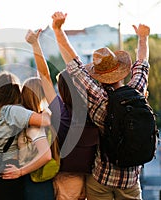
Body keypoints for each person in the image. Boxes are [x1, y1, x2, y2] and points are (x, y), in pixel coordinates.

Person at [51, 11, 150, 199]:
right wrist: (143, 37)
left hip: (102, 179)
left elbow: (74, 66)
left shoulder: (98, 99)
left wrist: (58, 30)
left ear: (99, 76)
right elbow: (142, 64)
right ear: (121, 70)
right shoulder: (137, 91)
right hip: (130, 180)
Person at [25, 29, 100, 200]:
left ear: (63, 90)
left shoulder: (62, 114)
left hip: (67, 178)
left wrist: (35, 44)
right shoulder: (95, 109)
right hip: (91, 176)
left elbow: (44, 75)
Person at [0, 71, 52, 200]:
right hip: (9, 171)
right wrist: (46, 110)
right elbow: (45, 121)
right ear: (15, 91)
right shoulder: (11, 111)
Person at [8, 77, 58, 200]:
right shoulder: (44, 119)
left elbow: (46, 155)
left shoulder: (33, 127)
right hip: (41, 180)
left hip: (35, 182)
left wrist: (20, 172)